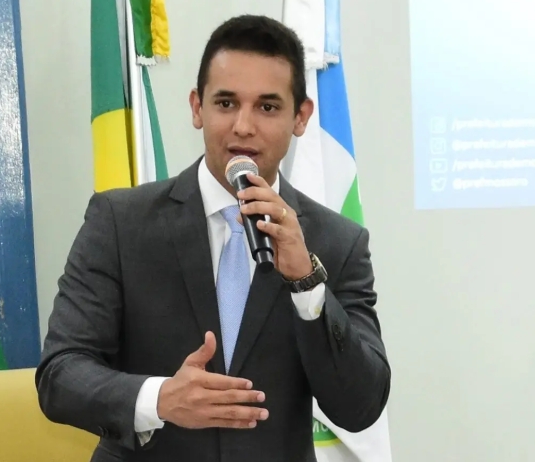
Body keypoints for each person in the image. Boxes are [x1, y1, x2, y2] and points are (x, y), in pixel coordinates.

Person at [36, 14, 390, 462]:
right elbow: (60, 374)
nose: (243, 126)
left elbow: (361, 406)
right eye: (225, 103)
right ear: (196, 108)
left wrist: (306, 282)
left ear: (300, 117)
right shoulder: (120, 222)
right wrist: (159, 399)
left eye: (267, 107)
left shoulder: (337, 243)